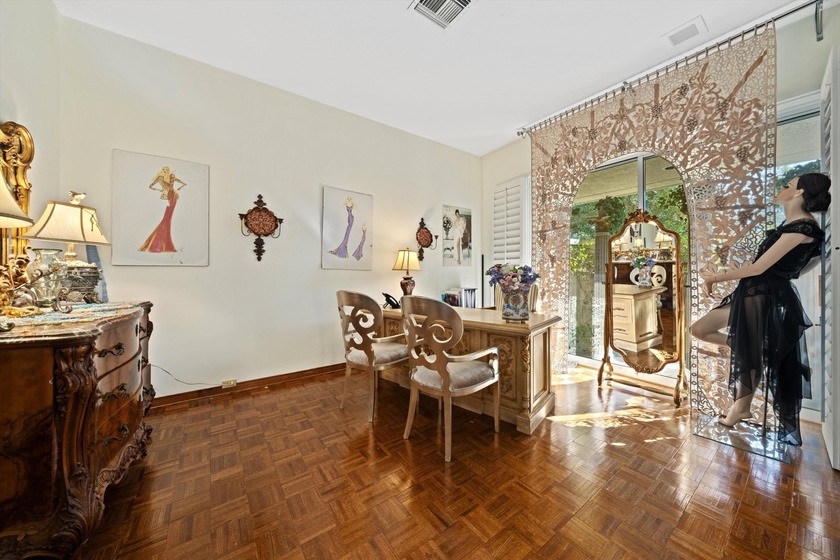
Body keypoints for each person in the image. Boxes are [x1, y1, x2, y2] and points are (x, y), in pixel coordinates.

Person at [689, 173, 831, 446]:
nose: (781, 188)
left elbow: (758, 268)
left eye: (787, 185)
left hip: (762, 294)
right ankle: (758, 361)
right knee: (700, 329)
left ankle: (740, 408)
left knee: (728, 340)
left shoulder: (803, 228)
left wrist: (713, 278)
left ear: (799, 193)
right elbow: (796, 267)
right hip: (753, 292)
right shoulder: (792, 226)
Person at [139, 166, 186, 253]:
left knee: (168, 219)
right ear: (162, 171)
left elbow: (184, 184)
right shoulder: (160, 178)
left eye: (167, 170)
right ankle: (161, 244)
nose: (165, 171)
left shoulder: (171, 177)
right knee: (166, 219)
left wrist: (177, 189)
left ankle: (164, 243)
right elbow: (151, 186)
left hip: (173, 196)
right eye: (164, 170)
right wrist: (160, 190)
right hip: (169, 197)